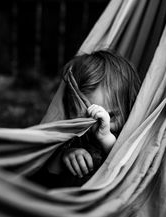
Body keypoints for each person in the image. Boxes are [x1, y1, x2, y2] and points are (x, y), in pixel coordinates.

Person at [29, 50, 141, 188]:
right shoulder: (71, 134)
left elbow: (129, 167)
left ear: (129, 107)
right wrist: (64, 156)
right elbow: (43, 174)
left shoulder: (130, 135)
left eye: (111, 116)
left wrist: (106, 138)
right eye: (87, 116)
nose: (99, 124)